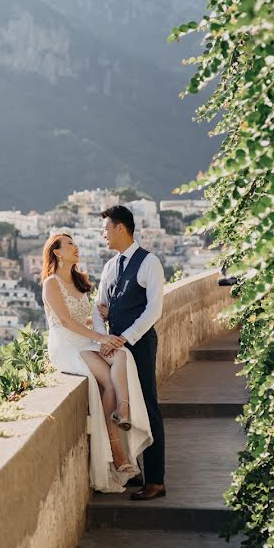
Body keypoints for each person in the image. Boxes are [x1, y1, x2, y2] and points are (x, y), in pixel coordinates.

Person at [41, 233, 152, 493]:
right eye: (69, 244)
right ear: (57, 252)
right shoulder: (51, 283)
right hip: (66, 345)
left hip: (84, 341)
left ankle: (122, 413)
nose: (75, 247)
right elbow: (66, 322)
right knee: (109, 375)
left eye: (75, 243)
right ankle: (116, 450)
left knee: (121, 357)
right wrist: (102, 337)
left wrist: (102, 317)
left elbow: (82, 318)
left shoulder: (79, 281)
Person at [93, 205, 167, 501]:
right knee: (126, 406)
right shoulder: (110, 267)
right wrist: (104, 338)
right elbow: (99, 308)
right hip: (114, 348)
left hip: (140, 345)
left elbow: (154, 310)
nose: (104, 235)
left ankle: (157, 480)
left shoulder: (150, 262)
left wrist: (124, 338)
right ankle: (136, 471)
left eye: (106, 229)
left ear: (121, 228)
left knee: (148, 405)